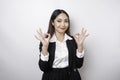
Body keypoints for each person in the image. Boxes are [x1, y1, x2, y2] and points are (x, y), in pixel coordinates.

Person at [35, 9, 89, 80]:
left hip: (71, 77)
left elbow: (79, 65)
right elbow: (43, 68)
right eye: (59, 21)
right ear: (53, 23)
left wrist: (80, 45)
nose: (63, 24)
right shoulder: (46, 41)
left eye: (66, 21)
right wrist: (45, 46)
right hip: (52, 77)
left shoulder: (72, 40)